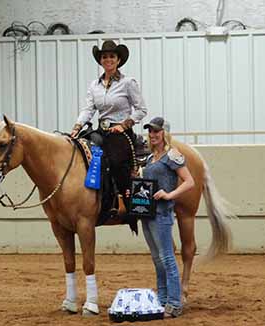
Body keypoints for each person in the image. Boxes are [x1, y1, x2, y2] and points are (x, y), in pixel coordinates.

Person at [70, 40, 148, 214]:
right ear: (101, 61)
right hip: (101, 130)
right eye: (105, 57)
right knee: (81, 152)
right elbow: (88, 109)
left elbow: (142, 110)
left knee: (115, 160)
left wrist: (124, 124)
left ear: (118, 60)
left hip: (121, 132)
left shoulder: (128, 83)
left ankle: (127, 203)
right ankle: (91, 200)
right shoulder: (94, 85)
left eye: (112, 56)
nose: (108, 60)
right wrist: (77, 126)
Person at [141, 117, 195, 318]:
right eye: (150, 132)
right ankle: (163, 300)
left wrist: (169, 195)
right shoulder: (150, 158)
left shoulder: (172, 155)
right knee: (158, 259)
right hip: (147, 214)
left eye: (156, 131)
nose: (153, 135)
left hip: (162, 214)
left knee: (167, 258)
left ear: (165, 133)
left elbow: (189, 181)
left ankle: (174, 303)